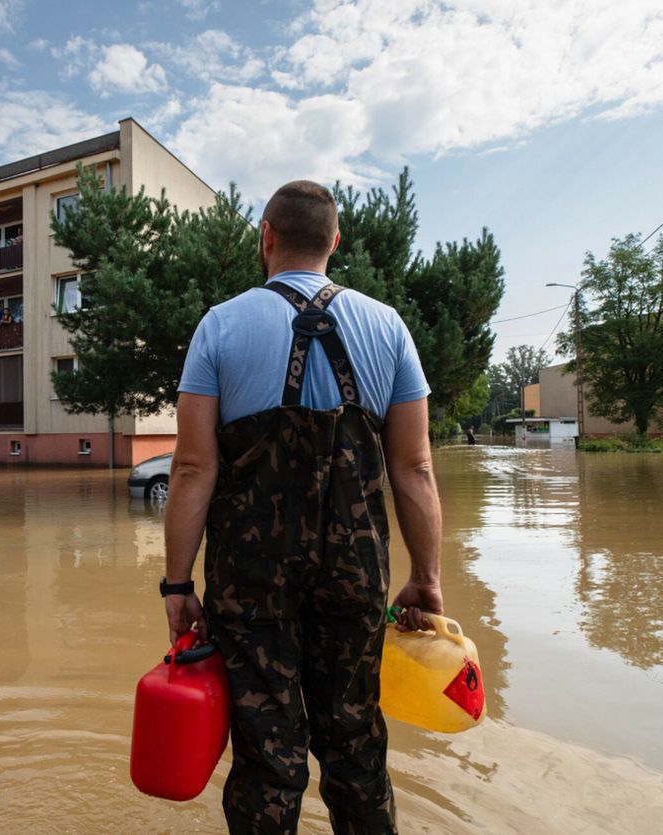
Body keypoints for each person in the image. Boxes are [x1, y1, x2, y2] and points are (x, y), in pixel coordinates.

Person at [161, 180, 443, 834]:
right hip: (356, 577)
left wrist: (177, 583)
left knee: (265, 752)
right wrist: (426, 577)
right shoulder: (388, 327)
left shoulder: (220, 326)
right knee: (354, 744)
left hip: (250, 580)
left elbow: (193, 467)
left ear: (266, 236)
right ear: (334, 241)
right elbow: (415, 467)